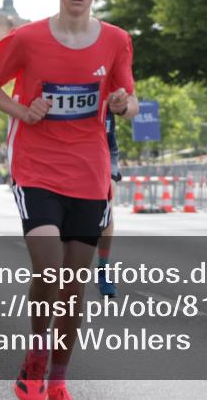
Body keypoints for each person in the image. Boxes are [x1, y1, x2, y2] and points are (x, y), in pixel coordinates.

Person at [0, 0, 138, 400]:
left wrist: (125, 104)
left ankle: (59, 377)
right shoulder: (27, 39)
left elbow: (129, 96)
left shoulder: (116, 40)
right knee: (51, 272)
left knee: (74, 285)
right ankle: (36, 353)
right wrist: (22, 111)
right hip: (36, 167)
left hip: (90, 171)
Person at [95, 110, 121, 297]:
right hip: (67, 165)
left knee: (107, 212)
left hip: (102, 161)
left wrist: (111, 174)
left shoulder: (107, 101)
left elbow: (111, 143)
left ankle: (103, 270)